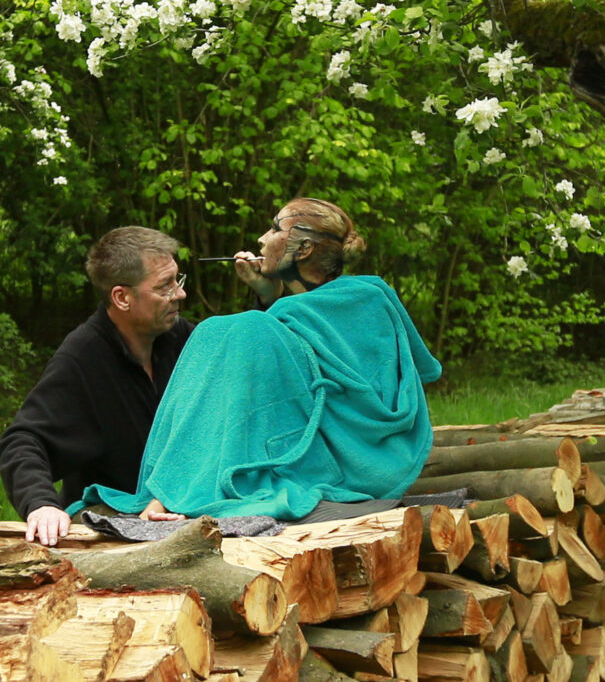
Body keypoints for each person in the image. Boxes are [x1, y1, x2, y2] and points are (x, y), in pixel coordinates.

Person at [67, 198, 442, 522]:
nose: (262, 239)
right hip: (362, 460)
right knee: (235, 330)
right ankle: (171, 488)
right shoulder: (349, 301)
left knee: (224, 330)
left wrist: (263, 313)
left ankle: (170, 489)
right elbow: (294, 358)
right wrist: (268, 296)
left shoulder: (355, 302)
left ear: (305, 248)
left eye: (275, 228)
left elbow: (306, 369)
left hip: (354, 464)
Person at [0, 226, 194, 544]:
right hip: (108, 515)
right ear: (122, 297)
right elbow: (23, 440)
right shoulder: (83, 357)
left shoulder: (180, 338)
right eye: (165, 287)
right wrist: (42, 504)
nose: (180, 294)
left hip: (176, 506)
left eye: (178, 280)